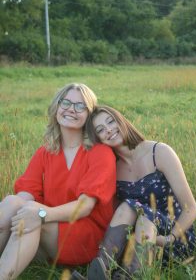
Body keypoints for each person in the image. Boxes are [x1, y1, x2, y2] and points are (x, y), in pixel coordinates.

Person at [0, 85, 116, 280]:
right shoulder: (46, 151)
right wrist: (17, 210)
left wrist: (41, 214)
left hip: (84, 234)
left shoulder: (100, 153)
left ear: (89, 115)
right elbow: (27, 191)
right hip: (51, 226)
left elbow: (84, 207)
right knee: (13, 202)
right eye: (67, 102)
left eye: (80, 106)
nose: (71, 109)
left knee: (34, 221)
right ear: (57, 107)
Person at [84, 105, 196, 280]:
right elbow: (116, 216)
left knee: (143, 215)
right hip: (138, 245)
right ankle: (102, 270)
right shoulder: (111, 168)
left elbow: (191, 208)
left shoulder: (159, 152)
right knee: (126, 208)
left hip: (173, 238)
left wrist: (169, 238)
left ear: (121, 120)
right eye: (101, 130)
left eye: (111, 121)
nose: (109, 130)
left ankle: (130, 276)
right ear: (98, 139)